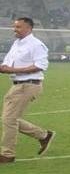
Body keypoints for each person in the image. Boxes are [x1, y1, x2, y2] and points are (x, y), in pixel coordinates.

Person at [0, 17, 53, 164]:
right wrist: (4, 67)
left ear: (29, 28)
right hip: (17, 85)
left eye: (18, 27)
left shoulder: (36, 45)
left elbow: (40, 65)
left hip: (29, 85)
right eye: (14, 26)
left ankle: (7, 154)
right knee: (8, 119)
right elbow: (7, 63)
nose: (15, 29)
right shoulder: (17, 43)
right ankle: (43, 135)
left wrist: (14, 70)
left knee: (9, 119)